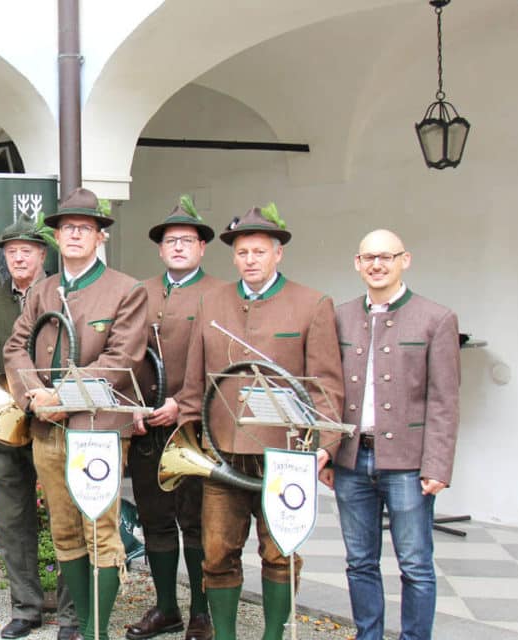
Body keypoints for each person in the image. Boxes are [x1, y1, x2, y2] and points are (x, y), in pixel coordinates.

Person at [176, 205, 344, 640]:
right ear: (233, 258)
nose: (250, 260)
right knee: (216, 554)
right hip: (222, 451)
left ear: (278, 255)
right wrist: (191, 436)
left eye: (259, 251)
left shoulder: (313, 304)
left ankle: (273, 636)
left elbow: (326, 385)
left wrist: (325, 446)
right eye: (243, 252)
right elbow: (195, 380)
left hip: (284, 453)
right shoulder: (210, 302)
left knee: (280, 551)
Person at [4, 187, 149, 640]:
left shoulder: (126, 289)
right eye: (67, 228)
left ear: (100, 237)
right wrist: (35, 397)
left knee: (100, 532)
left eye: (84, 229)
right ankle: (81, 623)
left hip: (100, 432)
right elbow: (15, 348)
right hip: (47, 430)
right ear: (56, 236)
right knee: (65, 530)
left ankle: (95, 631)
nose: (74, 235)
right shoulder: (42, 291)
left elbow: (122, 360)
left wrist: (62, 397)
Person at [325, 230, 459, 640]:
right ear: (357, 263)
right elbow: (328, 391)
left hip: (407, 463)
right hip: (351, 459)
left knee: (415, 563)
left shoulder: (436, 318)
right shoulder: (341, 315)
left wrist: (437, 464)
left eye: (386, 257)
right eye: (368, 258)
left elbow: (444, 400)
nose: (377, 265)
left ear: (405, 260)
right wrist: (327, 453)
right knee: (359, 561)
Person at [0, 219, 77, 640]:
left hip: (57, 420)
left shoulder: (63, 294)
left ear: (42, 255)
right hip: (6, 420)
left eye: (27, 250)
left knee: (64, 514)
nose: (19, 257)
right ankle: (25, 608)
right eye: (12, 250)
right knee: (14, 518)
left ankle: (72, 615)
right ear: (4, 256)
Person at [127, 196, 222, 640]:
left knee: (196, 520)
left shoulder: (218, 295)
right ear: (160, 250)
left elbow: (221, 365)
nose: (179, 247)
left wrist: (182, 405)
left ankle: (201, 611)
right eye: (171, 241)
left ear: (203, 248)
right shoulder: (139, 292)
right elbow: (123, 354)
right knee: (155, 518)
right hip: (145, 429)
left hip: (195, 430)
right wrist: (131, 407)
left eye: (188, 240)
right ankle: (167, 608)